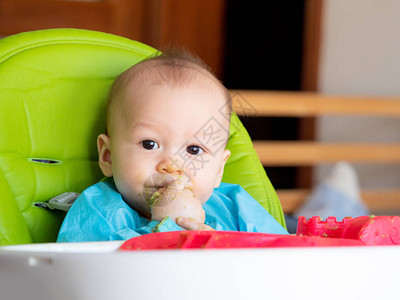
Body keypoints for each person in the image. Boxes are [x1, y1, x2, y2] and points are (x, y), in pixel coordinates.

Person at [57, 50, 287, 242]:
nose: (172, 166)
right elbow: (89, 277)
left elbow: (288, 258)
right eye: (149, 144)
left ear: (219, 170)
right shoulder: (97, 210)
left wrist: (230, 251)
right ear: (108, 156)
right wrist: (168, 227)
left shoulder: (236, 206)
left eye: (194, 150)